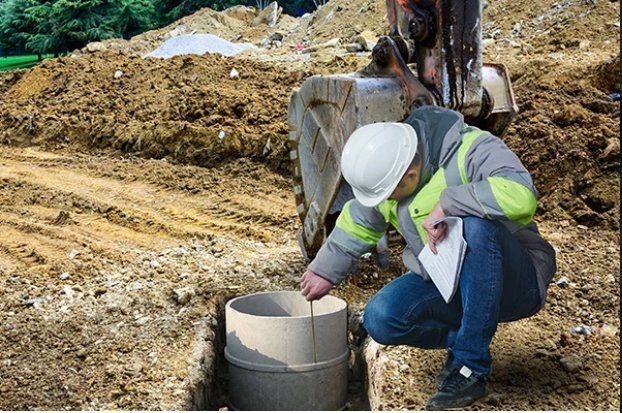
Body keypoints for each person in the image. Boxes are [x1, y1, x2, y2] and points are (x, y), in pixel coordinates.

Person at [299, 106, 557, 409]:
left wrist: (451, 203)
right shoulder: (392, 168)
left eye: (387, 195)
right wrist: (324, 271)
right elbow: (360, 219)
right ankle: (465, 336)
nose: (383, 203)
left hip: (515, 280)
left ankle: (470, 367)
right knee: (381, 318)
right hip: (448, 280)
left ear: (410, 175)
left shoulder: (473, 149)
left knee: (474, 228)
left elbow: (521, 195)